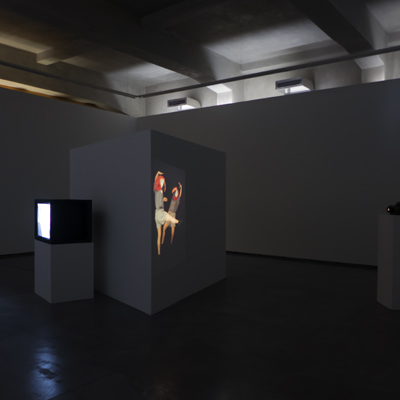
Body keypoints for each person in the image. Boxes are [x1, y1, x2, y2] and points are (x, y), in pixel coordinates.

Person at [154, 171, 179, 255]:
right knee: (168, 216)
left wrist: (163, 199)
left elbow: (161, 186)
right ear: (158, 182)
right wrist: (157, 174)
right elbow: (156, 181)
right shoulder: (157, 190)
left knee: (159, 235)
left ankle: (159, 253)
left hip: (156, 214)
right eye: (161, 181)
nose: (162, 183)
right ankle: (177, 221)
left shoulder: (158, 191)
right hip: (160, 212)